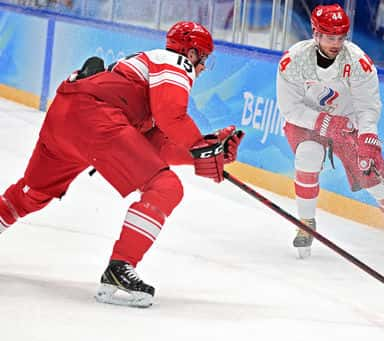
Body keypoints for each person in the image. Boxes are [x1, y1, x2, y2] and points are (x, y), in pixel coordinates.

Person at [0, 21, 243, 307]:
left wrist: (201, 151)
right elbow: (171, 117)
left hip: (67, 117)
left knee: (34, 192)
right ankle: (120, 267)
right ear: (191, 53)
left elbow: (154, 148)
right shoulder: (174, 63)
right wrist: (202, 148)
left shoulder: (143, 75)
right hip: (95, 119)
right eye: (203, 58)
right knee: (166, 188)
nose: (202, 67)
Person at [276, 4, 384, 258]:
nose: (335, 43)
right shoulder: (293, 61)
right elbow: (290, 109)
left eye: (340, 37)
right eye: (329, 37)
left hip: (348, 123)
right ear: (315, 34)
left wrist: (368, 139)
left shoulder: (359, 62)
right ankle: (306, 222)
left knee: (374, 178)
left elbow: (368, 107)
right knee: (307, 155)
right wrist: (326, 123)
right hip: (306, 122)